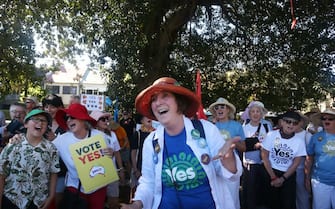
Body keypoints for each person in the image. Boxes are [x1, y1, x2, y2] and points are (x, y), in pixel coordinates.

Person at [121, 77, 243, 209]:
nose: (158, 103)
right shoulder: (151, 141)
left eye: (165, 96)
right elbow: (148, 182)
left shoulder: (206, 130)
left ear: (179, 102)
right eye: (154, 99)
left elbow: (231, 175)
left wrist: (229, 158)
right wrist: (137, 203)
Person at [53, 103, 116, 209]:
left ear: (83, 120)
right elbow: (44, 148)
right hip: (74, 187)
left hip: (98, 187)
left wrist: (111, 153)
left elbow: (109, 159)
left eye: (72, 117)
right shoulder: (61, 140)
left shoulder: (100, 137)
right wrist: (17, 138)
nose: (68, 120)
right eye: (66, 118)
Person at [0, 109, 60, 209]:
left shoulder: (51, 148)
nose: (40, 123)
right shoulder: (13, 145)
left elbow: (54, 173)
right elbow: (1, 174)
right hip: (12, 200)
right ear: (26, 124)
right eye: (36, 119)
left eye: (44, 121)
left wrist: (51, 196)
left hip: (38, 202)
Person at [261, 111, 307, 209]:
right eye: (288, 122)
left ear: (298, 125)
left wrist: (283, 178)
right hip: (270, 172)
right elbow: (264, 155)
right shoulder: (271, 135)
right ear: (282, 122)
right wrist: (273, 177)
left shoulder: (299, 142)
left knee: (287, 204)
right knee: (271, 203)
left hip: (288, 176)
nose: (291, 125)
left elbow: (296, 163)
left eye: (294, 123)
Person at [209, 97, 245, 209]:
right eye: (217, 107)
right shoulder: (209, 126)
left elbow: (243, 147)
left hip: (230, 165)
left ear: (228, 110)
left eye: (222, 107)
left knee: (232, 197)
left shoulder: (237, 126)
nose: (219, 109)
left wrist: (232, 143)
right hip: (213, 165)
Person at [89, 110, 125, 209]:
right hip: (95, 175)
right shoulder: (88, 136)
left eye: (106, 119)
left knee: (113, 202)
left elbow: (117, 153)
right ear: (95, 122)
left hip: (111, 173)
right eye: (102, 119)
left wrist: (121, 169)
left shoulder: (112, 134)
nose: (106, 121)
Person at [241, 101, 272, 209]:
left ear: (262, 113)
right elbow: (242, 144)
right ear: (249, 114)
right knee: (250, 190)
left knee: (264, 189)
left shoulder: (267, 125)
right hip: (250, 163)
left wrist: (263, 145)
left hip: (265, 163)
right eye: (253, 111)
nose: (255, 114)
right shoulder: (244, 127)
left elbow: (272, 140)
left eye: (258, 111)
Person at [305, 108, 335, 209]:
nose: (327, 121)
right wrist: (307, 178)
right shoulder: (316, 137)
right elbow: (309, 158)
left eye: (331, 119)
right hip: (320, 181)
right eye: (324, 118)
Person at [42, 94, 67, 209]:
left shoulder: (67, 125)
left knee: (57, 198)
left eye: (52, 106)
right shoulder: (40, 123)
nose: (48, 110)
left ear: (60, 108)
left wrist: (56, 139)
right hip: (42, 169)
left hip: (61, 170)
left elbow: (71, 147)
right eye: (46, 106)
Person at [130, 114, 155, 196]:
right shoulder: (137, 134)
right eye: (146, 116)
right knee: (138, 193)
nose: (149, 118)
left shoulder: (158, 133)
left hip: (154, 169)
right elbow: (133, 153)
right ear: (141, 120)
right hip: (139, 168)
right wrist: (135, 170)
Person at [294, 112, 312, 209]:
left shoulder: (307, 135)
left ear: (301, 122)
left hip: (301, 170)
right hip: (286, 170)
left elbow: (310, 156)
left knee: (302, 195)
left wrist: (307, 175)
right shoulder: (288, 133)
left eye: (297, 121)